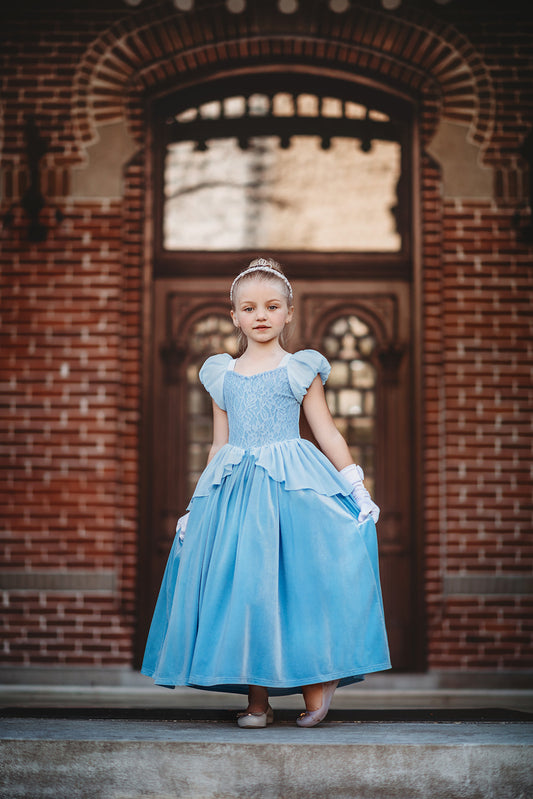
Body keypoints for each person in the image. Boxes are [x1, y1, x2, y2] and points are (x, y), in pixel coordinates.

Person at [142, 257, 390, 727]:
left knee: (300, 582)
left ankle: (317, 680)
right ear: (234, 315)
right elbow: (219, 445)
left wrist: (356, 485)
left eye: (272, 306)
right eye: (249, 308)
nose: (261, 315)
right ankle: (258, 698)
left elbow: (327, 432)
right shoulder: (223, 375)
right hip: (236, 487)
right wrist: (196, 508)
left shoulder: (300, 369)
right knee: (250, 590)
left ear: (288, 313)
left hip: (292, 483)